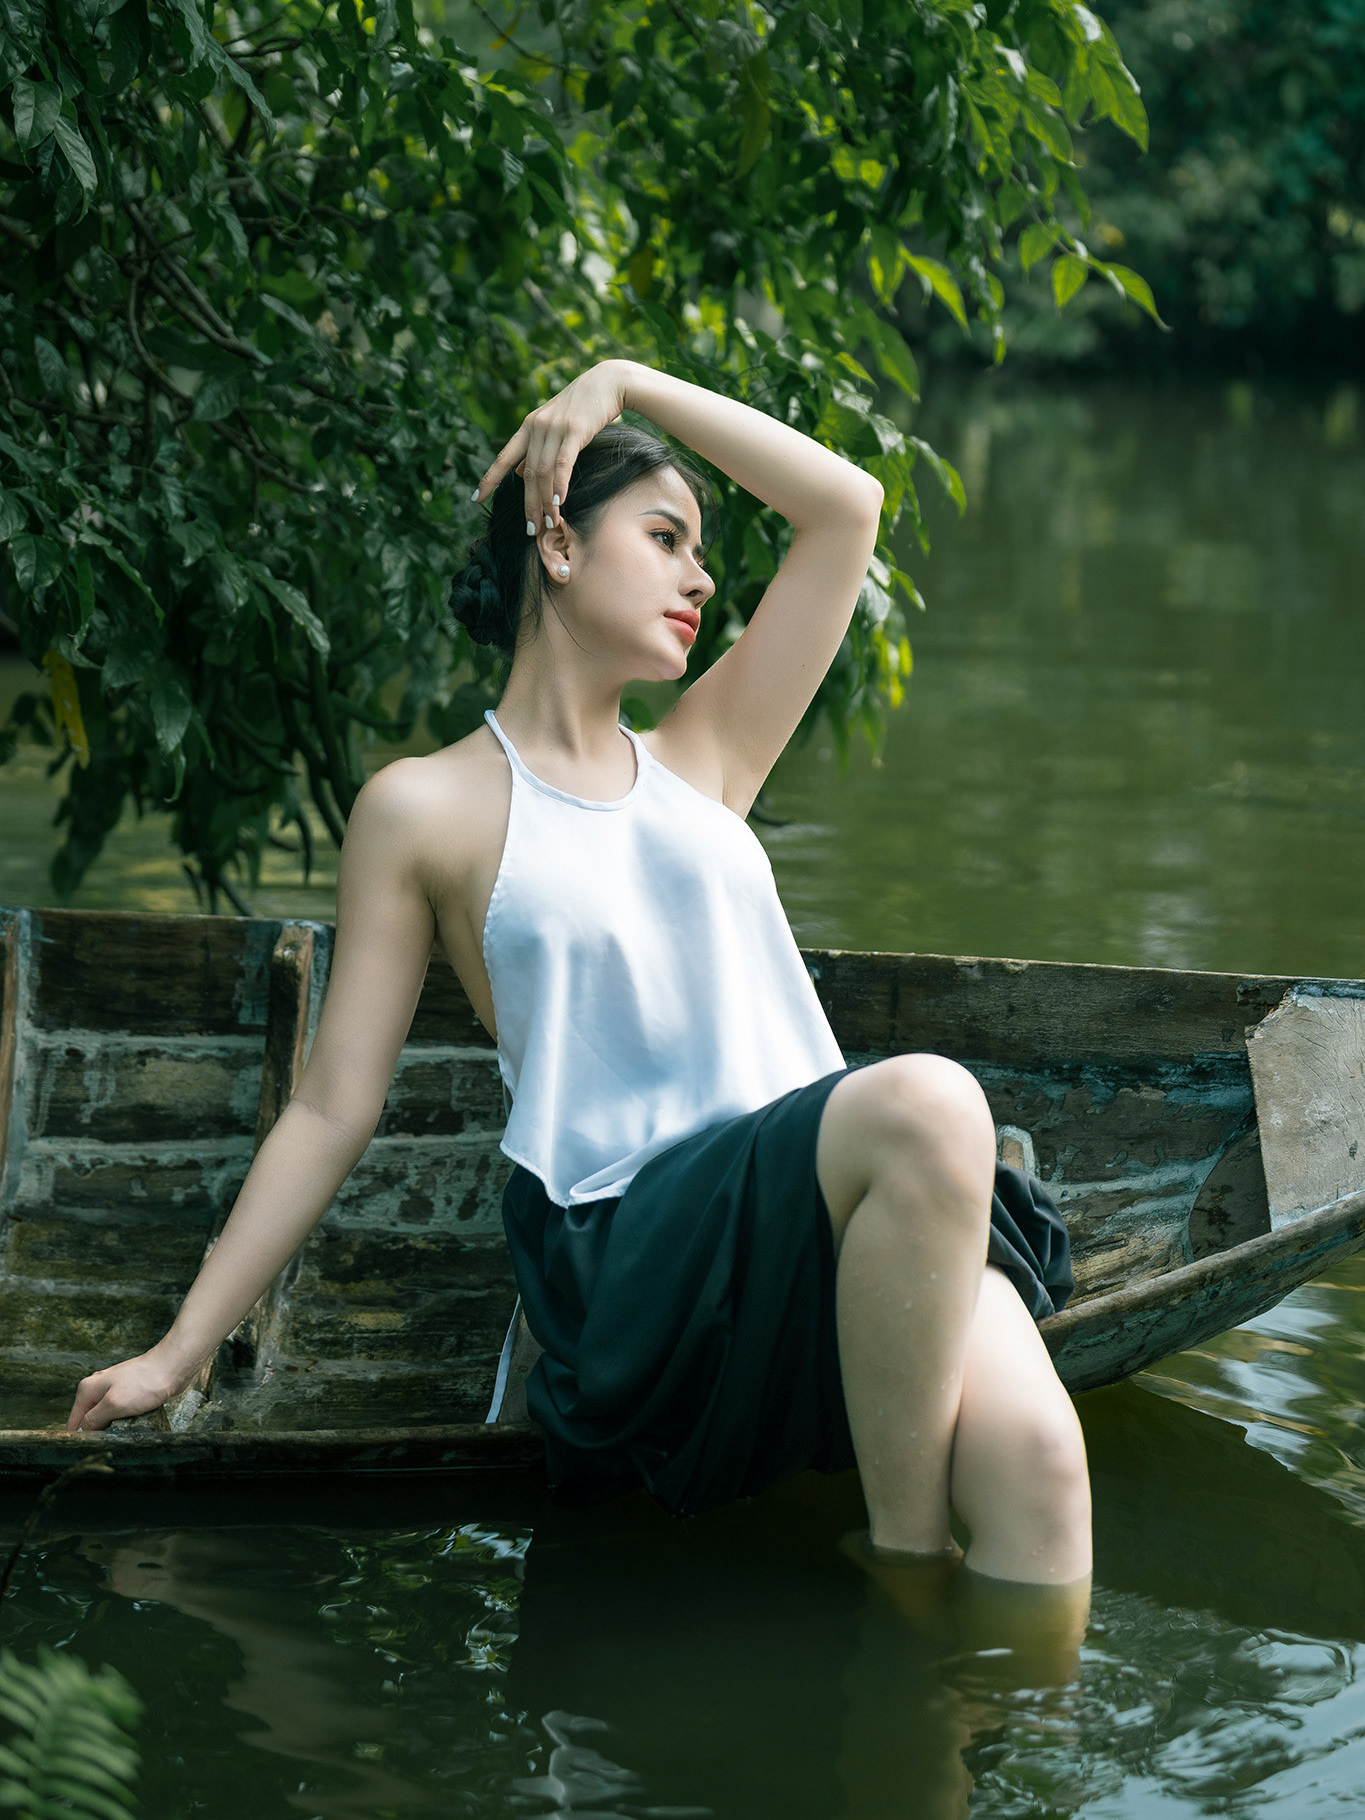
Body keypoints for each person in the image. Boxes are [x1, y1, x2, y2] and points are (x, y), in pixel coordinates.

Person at [66, 358, 1090, 1627]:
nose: (701, 580)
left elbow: (847, 509)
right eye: (665, 538)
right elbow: (332, 1106)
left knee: (1043, 1464)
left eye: (701, 551)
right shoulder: (424, 807)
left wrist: (627, 381)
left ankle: (975, 1714)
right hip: (638, 1246)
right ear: (556, 542)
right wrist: (178, 1350)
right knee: (933, 1103)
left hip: (842, 1208)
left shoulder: (706, 753)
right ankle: (905, 1580)